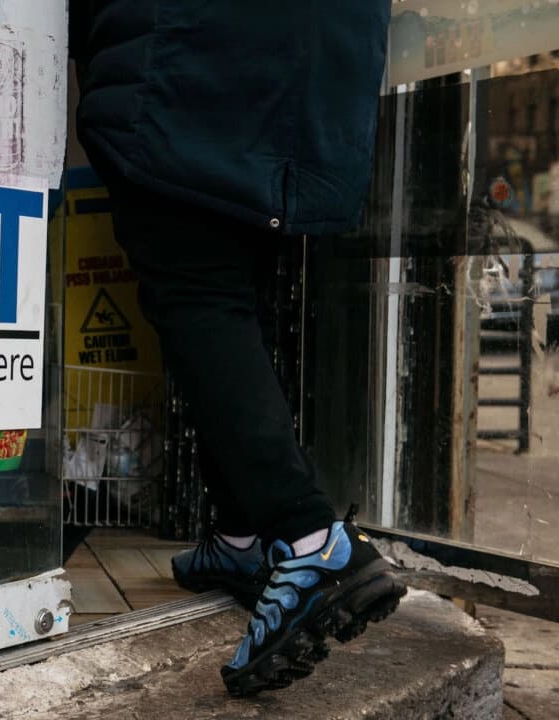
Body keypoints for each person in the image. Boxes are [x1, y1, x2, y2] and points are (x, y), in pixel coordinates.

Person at [69, 0, 405, 697]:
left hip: (195, 46)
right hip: (315, 52)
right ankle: (243, 538)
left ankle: (309, 541)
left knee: (196, 291)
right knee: (234, 300)